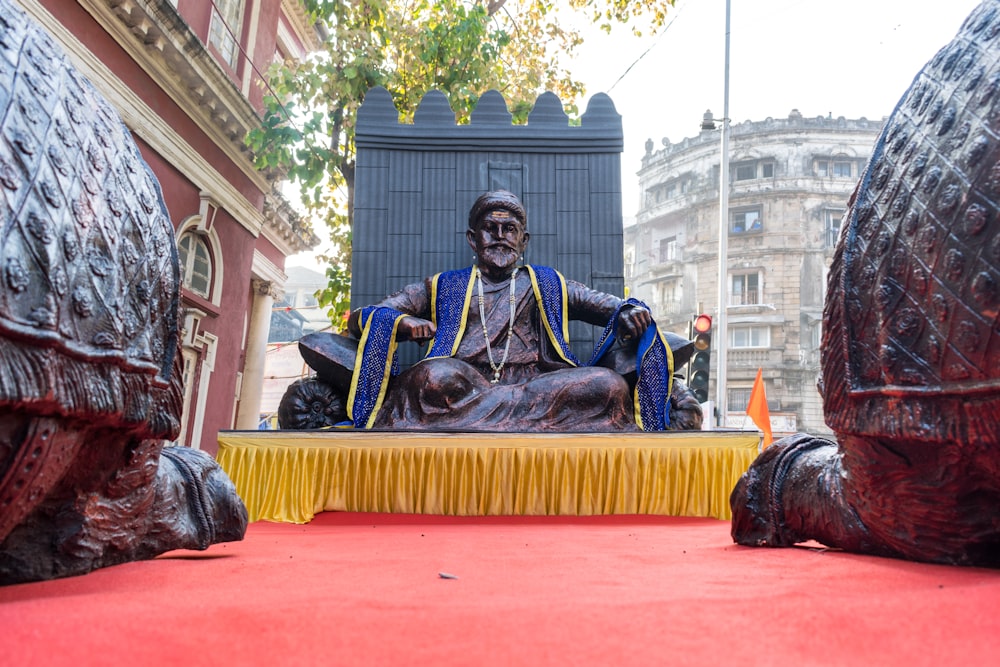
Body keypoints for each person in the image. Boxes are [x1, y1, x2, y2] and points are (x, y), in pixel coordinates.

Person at [337, 190, 688, 432]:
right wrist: (402, 322)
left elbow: (610, 306)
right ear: (473, 239)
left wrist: (629, 312)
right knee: (431, 378)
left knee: (608, 385)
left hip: (537, 387)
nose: (501, 237)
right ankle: (508, 417)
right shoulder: (444, 284)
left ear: (524, 240)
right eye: (491, 229)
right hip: (462, 384)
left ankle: (490, 418)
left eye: (510, 230)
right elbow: (362, 318)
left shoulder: (548, 283)